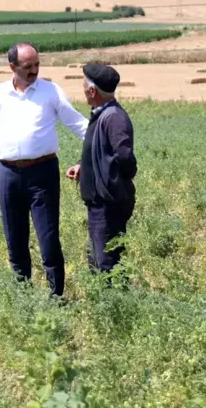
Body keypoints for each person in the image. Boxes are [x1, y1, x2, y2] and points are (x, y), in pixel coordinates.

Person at [0, 42, 88, 297]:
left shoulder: (51, 92)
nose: (34, 70)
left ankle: (56, 296)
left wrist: (98, 140)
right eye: (28, 66)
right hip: (8, 175)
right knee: (15, 240)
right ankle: (23, 297)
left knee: (48, 240)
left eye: (37, 65)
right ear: (12, 67)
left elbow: (78, 124)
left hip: (43, 173)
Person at [66, 63, 137, 275]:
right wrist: (83, 166)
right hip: (100, 202)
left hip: (108, 203)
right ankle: (105, 299)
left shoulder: (113, 117)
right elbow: (101, 150)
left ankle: (116, 303)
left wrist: (114, 181)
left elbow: (125, 158)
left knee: (107, 262)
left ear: (92, 91)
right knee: (97, 257)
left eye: (83, 86)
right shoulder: (102, 113)